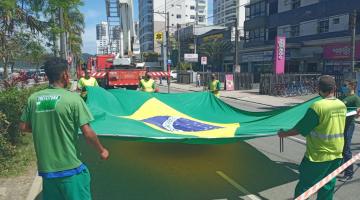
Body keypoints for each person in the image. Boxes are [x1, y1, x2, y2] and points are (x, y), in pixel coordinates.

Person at [19, 57, 109, 200]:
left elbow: (23, 127)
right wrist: (102, 150)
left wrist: (44, 128)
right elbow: (87, 132)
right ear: (65, 75)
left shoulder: (34, 99)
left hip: (47, 171)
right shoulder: (72, 99)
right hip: (70, 169)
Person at [278, 75, 346, 200]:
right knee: (327, 186)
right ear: (334, 88)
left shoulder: (317, 106)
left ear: (319, 89)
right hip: (337, 153)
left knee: (305, 186)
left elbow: (300, 129)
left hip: (318, 156)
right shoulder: (341, 105)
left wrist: (283, 134)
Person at [338, 79, 360, 181]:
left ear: (352, 86)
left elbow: (356, 116)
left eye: (346, 85)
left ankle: (349, 173)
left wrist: (357, 113)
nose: (344, 86)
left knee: (346, 149)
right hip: (339, 125)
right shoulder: (342, 96)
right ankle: (340, 168)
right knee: (340, 148)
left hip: (348, 125)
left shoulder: (355, 98)